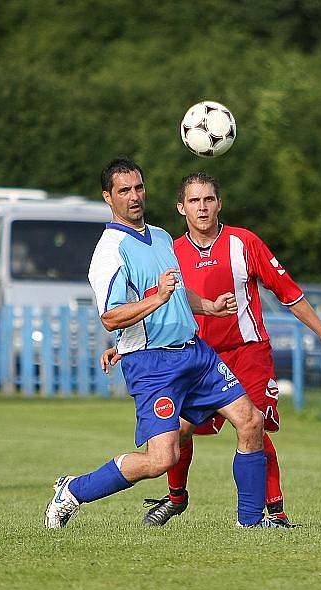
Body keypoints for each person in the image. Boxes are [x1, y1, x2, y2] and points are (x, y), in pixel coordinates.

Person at [102, 171, 321, 528]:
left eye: (208, 199)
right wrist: (120, 346)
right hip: (195, 356)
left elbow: (289, 293)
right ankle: (175, 498)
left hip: (247, 353)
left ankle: (274, 513)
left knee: (254, 424)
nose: (202, 208)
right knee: (179, 432)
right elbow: (149, 302)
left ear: (219, 203)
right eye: (193, 200)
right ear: (180, 207)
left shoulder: (245, 243)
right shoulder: (168, 250)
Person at [45, 158, 282, 530]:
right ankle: (73, 490)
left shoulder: (157, 235)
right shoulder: (109, 252)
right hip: (152, 364)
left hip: (194, 352)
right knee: (161, 460)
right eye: (124, 191)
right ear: (108, 197)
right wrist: (155, 300)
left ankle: (251, 524)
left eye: (138, 187)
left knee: (250, 421)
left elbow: (176, 291)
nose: (134, 196)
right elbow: (111, 317)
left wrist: (209, 306)